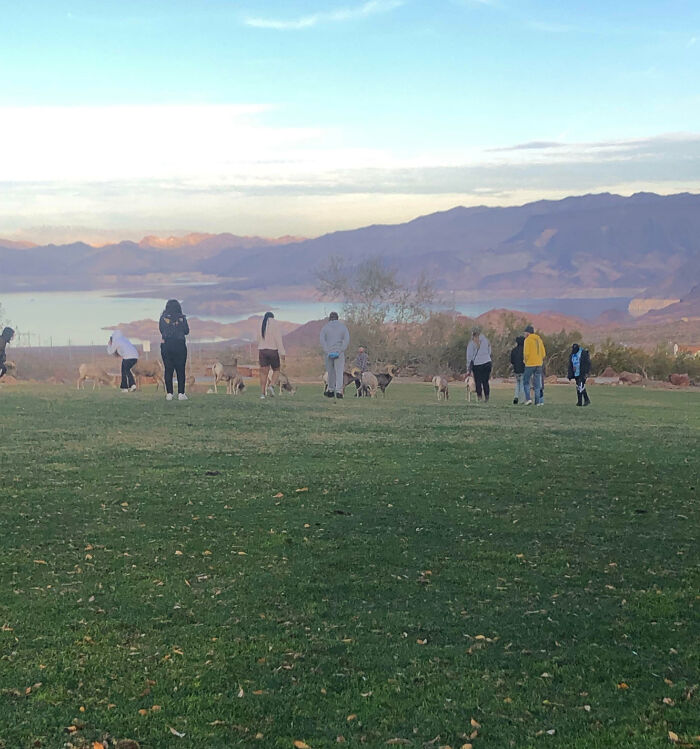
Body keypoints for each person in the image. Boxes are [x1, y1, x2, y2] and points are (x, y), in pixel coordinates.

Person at [159, 299, 190, 401]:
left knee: (168, 369)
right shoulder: (182, 318)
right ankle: (181, 393)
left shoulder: (163, 318)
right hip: (180, 345)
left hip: (167, 346)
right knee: (180, 370)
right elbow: (186, 331)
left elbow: (161, 330)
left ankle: (169, 394)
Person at [320, 311, 350, 399]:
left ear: (330, 318)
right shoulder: (343, 327)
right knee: (339, 372)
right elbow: (346, 340)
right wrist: (340, 350)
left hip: (328, 353)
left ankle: (330, 390)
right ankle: (339, 391)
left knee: (330, 372)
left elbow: (322, 340)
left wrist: (327, 351)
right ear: (337, 318)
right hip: (339, 353)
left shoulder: (325, 328)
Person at [257, 311, 286, 399]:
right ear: (273, 317)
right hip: (273, 350)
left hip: (262, 351)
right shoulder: (275, 324)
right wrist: (282, 353)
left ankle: (262, 394)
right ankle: (271, 385)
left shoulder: (260, 323)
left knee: (263, 373)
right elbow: (278, 339)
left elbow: (258, 338)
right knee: (276, 370)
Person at [466, 326, 492, 402]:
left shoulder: (471, 343)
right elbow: (489, 351)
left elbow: (469, 357)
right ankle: (487, 397)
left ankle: (480, 397)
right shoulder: (486, 340)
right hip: (487, 362)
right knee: (485, 381)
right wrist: (486, 357)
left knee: (478, 382)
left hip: (477, 364)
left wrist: (468, 368)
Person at [523, 324, 546, 406]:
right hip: (539, 364)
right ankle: (537, 402)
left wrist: (525, 361)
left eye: (525, 333)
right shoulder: (539, 340)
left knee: (526, 382)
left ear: (528, 333)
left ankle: (528, 399)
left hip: (530, 364)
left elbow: (526, 353)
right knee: (537, 384)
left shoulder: (527, 340)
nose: (524, 335)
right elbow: (543, 354)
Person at [510, 334, 525, 404]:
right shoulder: (525, 350)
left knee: (517, 384)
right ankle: (522, 400)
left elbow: (512, 361)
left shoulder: (514, 350)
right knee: (522, 384)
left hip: (516, 370)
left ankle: (516, 396)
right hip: (523, 369)